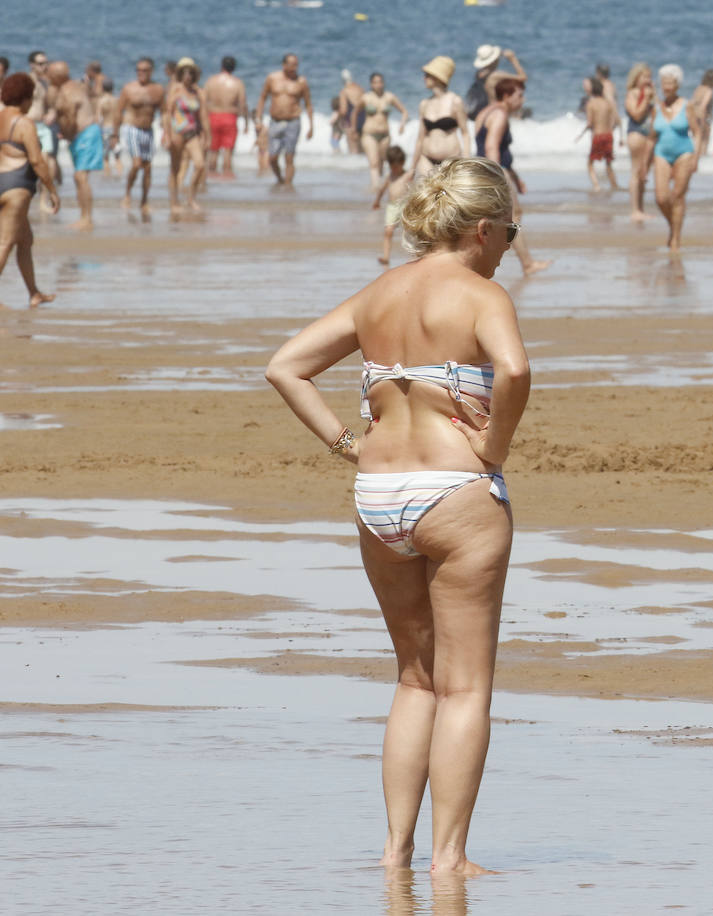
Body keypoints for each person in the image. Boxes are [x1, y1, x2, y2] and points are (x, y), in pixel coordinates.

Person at [267, 157, 530, 877]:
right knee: (466, 687)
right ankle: (450, 860)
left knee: (415, 679)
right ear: (482, 230)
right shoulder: (482, 294)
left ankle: (394, 852)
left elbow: (285, 366)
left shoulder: (379, 293)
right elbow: (513, 370)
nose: (511, 243)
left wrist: (346, 445)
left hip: (378, 496)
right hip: (456, 494)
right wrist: (493, 446)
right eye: (510, 230)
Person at [475, 72, 550, 274]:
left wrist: (516, 178)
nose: (522, 100)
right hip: (494, 171)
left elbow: (489, 147)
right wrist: (498, 179)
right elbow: (491, 147)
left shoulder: (486, 111)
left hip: (484, 171)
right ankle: (527, 264)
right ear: (506, 97)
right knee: (513, 217)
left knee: (490, 221)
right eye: (519, 95)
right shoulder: (500, 115)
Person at [1, 73, 59, 306]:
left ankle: (34, 293)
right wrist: (52, 190)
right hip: (16, 188)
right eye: (31, 98)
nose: (31, 103)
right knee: (4, 242)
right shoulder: (24, 123)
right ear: (24, 98)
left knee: (25, 240)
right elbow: (36, 161)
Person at [651, 64, 701, 250]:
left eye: (670, 82)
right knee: (661, 198)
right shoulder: (657, 108)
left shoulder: (687, 106)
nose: (666, 86)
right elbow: (651, 136)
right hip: (661, 153)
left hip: (684, 153)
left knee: (677, 196)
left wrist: (696, 157)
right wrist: (642, 164)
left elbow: (697, 132)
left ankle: (676, 239)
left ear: (677, 84)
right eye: (664, 83)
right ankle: (673, 225)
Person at [50, 61, 101, 231]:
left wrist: (66, 131)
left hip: (85, 134)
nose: (48, 78)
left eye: (50, 75)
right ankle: (83, 216)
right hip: (80, 136)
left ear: (57, 76)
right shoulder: (74, 86)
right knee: (78, 177)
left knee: (81, 177)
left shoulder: (67, 90)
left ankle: (87, 218)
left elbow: (70, 115)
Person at [114, 58, 163, 216]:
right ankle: (127, 193)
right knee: (136, 164)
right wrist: (114, 134)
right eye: (138, 70)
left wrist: (167, 132)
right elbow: (118, 111)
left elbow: (165, 112)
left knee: (148, 168)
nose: (141, 73)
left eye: (144, 70)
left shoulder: (158, 89)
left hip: (148, 130)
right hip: (131, 128)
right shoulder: (129, 89)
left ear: (151, 71)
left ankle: (144, 201)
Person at [256, 53, 313, 187]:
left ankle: (288, 185)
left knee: (289, 157)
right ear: (284, 65)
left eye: (296, 64)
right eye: (292, 64)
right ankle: (280, 179)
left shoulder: (301, 82)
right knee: (272, 157)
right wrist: (258, 119)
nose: (295, 68)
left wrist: (311, 126)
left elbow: (308, 104)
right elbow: (263, 98)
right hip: (275, 121)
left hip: (293, 121)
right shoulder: (272, 78)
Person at [164, 58, 208, 215]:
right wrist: (167, 135)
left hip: (192, 133)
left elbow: (202, 116)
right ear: (180, 75)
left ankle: (191, 198)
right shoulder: (175, 90)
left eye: (190, 73)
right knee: (175, 169)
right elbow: (167, 114)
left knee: (200, 164)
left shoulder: (197, 92)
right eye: (184, 73)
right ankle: (174, 201)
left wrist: (206, 136)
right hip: (177, 133)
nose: (187, 76)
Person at [414, 57, 470, 179]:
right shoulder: (425, 104)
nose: (424, 78)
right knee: (427, 196)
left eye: (427, 75)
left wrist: (466, 161)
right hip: (426, 158)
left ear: (437, 77)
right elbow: (420, 139)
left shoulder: (455, 101)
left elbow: (465, 133)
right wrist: (412, 167)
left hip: (450, 160)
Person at [359, 73, 409, 189]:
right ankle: (375, 187)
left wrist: (402, 124)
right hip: (369, 134)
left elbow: (404, 112)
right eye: (375, 82)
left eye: (380, 82)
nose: (378, 85)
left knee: (382, 160)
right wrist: (352, 127)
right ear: (371, 84)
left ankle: (380, 186)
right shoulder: (366, 98)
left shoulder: (389, 97)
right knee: (374, 162)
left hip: (385, 135)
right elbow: (355, 112)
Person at [26, 52, 59, 214]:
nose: (44, 66)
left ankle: (44, 198)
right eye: (40, 63)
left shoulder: (46, 84)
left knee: (49, 162)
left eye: (45, 63)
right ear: (32, 65)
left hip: (43, 126)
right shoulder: (25, 81)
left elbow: (52, 104)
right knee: (28, 163)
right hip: (28, 125)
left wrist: (52, 113)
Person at [206, 56, 248, 177]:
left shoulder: (211, 81)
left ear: (222, 66)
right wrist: (246, 123)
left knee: (213, 150)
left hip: (213, 116)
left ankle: (212, 176)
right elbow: (243, 104)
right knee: (228, 150)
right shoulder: (237, 83)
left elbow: (203, 101)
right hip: (230, 117)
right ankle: (226, 178)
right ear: (234, 68)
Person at [623, 62, 655, 223]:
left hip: (649, 136)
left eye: (649, 76)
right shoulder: (633, 93)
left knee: (644, 174)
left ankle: (641, 208)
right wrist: (646, 99)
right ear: (636, 78)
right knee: (636, 172)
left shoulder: (650, 93)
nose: (648, 79)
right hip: (636, 133)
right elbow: (636, 114)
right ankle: (635, 209)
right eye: (645, 77)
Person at [372, 145, 411, 266]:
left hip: (405, 206)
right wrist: (377, 201)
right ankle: (386, 256)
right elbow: (382, 190)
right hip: (392, 207)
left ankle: (413, 255)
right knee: (388, 231)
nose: (393, 169)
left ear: (403, 163)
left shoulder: (407, 176)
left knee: (410, 232)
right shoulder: (390, 176)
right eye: (391, 166)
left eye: (396, 166)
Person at [582, 76, 619, 192]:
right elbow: (615, 121)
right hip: (609, 135)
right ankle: (614, 185)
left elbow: (590, 123)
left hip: (598, 136)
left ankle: (596, 185)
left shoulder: (591, 104)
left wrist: (584, 130)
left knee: (590, 163)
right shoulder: (608, 103)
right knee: (608, 163)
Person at [466, 46, 524, 119]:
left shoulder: (479, 73)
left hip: (476, 109)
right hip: (489, 110)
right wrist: (513, 59)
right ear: (495, 60)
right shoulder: (495, 75)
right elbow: (523, 77)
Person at [339, 70, 365, 155]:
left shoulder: (344, 91)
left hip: (351, 122)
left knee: (353, 151)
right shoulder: (360, 89)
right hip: (363, 121)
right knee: (363, 152)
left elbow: (344, 111)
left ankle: (354, 168)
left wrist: (340, 120)